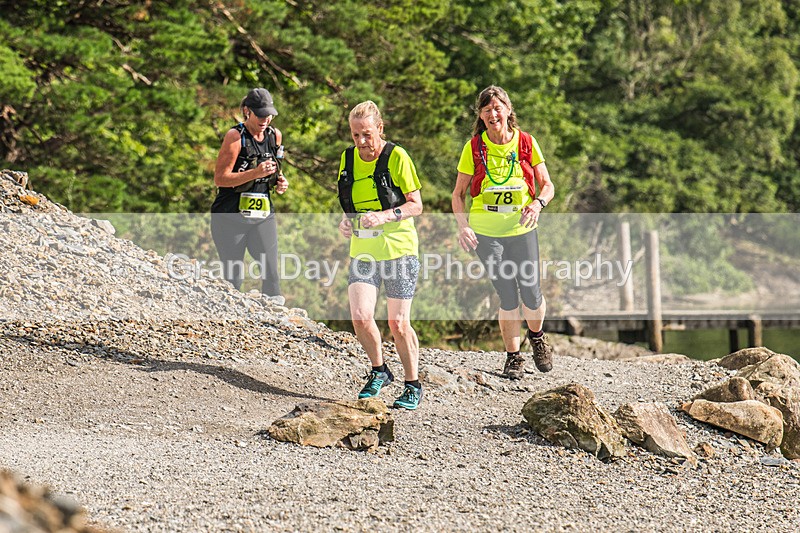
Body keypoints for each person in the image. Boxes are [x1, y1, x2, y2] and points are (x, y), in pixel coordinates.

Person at [451, 85, 555, 379]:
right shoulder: (474, 148)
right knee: (507, 293)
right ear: (481, 116)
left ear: (509, 110)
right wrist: (463, 226)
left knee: (531, 293)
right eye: (487, 110)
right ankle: (513, 357)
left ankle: (537, 337)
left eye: (498, 108)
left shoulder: (525, 142)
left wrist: (537, 203)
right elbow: (458, 195)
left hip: (521, 228)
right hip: (486, 232)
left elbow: (548, 184)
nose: (493, 114)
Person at [337, 101, 424, 410]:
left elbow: (416, 205)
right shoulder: (347, 159)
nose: (362, 142)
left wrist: (386, 216)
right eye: (356, 135)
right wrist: (347, 221)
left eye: (367, 134)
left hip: (399, 249)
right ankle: (379, 370)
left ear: (380, 129)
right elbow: (351, 203)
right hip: (363, 250)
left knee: (398, 323)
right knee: (360, 317)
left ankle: (412, 384)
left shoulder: (396, 156)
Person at [211, 88, 289, 301]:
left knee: (271, 272)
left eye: (269, 114)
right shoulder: (235, 137)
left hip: (262, 215)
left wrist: (280, 182)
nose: (266, 119)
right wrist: (254, 173)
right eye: (261, 114)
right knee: (233, 278)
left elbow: (275, 169)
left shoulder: (275, 135)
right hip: (230, 216)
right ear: (247, 111)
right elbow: (221, 178)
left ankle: (276, 321)